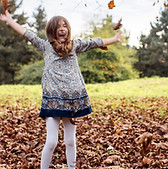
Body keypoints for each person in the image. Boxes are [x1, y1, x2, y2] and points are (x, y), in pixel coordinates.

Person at [0, 10, 122, 169]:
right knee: (51, 141)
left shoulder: (75, 46)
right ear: (52, 31)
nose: (62, 28)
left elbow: (94, 42)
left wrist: (114, 39)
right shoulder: (45, 46)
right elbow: (27, 34)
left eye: (65, 25)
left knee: (70, 140)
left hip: (72, 100)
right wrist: (10, 21)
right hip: (52, 100)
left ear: (68, 29)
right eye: (58, 27)